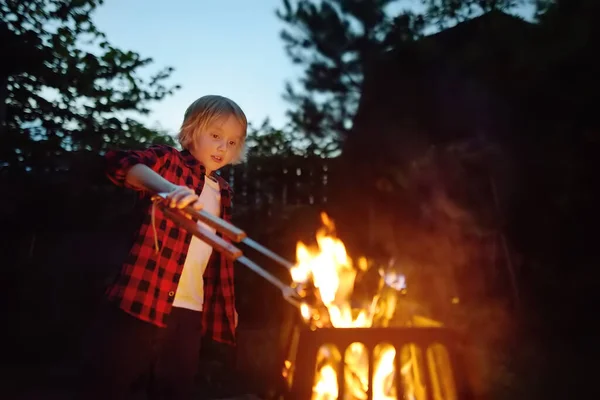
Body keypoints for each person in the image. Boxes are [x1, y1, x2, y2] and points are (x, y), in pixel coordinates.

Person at [78, 95, 247, 400]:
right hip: (141, 298)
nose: (224, 147)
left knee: (174, 389)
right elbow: (119, 163)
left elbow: (216, 256)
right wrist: (167, 189)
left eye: (233, 142)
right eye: (216, 136)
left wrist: (227, 304)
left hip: (188, 312)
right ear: (191, 131)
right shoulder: (168, 162)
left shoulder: (224, 192)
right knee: (107, 383)